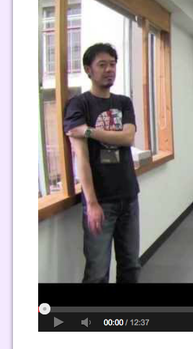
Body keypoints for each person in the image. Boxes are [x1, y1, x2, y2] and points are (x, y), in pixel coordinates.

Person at [63, 43, 141, 283]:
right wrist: (92, 204)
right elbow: (81, 158)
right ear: (89, 70)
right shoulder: (79, 105)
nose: (109, 69)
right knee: (97, 272)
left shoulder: (123, 102)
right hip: (101, 201)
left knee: (131, 265)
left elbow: (128, 138)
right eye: (102, 65)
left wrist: (89, 131)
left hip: (129, 195)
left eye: (113, 64)